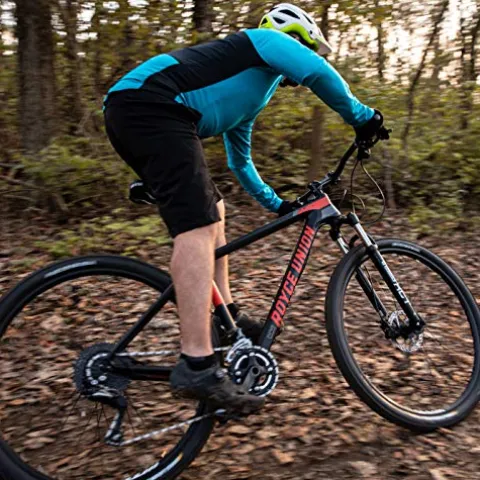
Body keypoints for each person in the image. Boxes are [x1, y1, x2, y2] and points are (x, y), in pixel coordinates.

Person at [103, 3, 384, 414]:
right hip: (151, 107)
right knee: (197, 226)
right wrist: (362, 117)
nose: (306, 57)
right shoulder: (263, 41)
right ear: (297, 40)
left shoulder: (253, 90)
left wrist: (277, 203)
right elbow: (318, 72)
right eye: (307, 48)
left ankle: (226, 319)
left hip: (141, 111)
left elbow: (241, 162)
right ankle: (196, 362)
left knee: (213, 210)